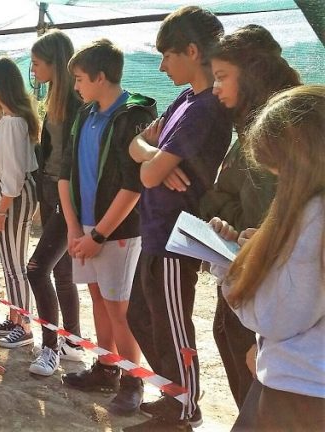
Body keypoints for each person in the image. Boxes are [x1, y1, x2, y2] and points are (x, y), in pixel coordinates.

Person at [125, 6, 232, 431]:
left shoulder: (206, 108)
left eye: (167, 55)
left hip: (177, 234)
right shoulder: (184, 99)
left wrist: (152, 164)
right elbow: (137, 146)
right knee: (141, 315)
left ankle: (184, 410)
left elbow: (147, 170)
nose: (161, 64)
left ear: (192, 50)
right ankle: (174, 393)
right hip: (154, 229)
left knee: (172, 323)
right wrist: (154, 159)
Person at [213, 85, 325, 431]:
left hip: (299, 393)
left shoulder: (315, 214)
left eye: (279, 172)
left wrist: (231, 268)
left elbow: (279, 317)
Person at [200, 25, 301, 410]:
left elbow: (265, 222)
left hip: (260, 287)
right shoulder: (249, 129)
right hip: (243, 275)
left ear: (252, 74)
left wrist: (216, 206)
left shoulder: (273, 135)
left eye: (222, 77)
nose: (215, 88)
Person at [57, 40, 156, 414]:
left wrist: (100, 234)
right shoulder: (84, 114)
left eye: (81, 79)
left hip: (117, 231)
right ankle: (106, 365)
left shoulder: (133, 116)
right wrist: (73, 228)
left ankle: (134, 380)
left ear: (101, 76)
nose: (77, 86)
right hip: (83, 226)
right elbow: (66, 172)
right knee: (97, 297)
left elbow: (134, 185)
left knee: (120, 307)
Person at [26, 29, 86, 369]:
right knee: (63, 273)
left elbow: (76, 160)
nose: (33, 70)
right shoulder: (53, 99)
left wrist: (69, 202)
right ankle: (72, 342)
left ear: (55, 64)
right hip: (49, 190)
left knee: (36, 269)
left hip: (68, 196)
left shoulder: (78, 103)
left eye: (36, 64)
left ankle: (50, 347)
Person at [0, 57, 39, 349]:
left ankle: (24, 326)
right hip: (6, 192)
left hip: (12, 196)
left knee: (15, 265)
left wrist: (1, 209)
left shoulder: (14, 121)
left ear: (1, 85)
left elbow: (14, 173)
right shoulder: (6, 118)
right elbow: (6, 160)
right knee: (7, 262)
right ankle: (14, 318)